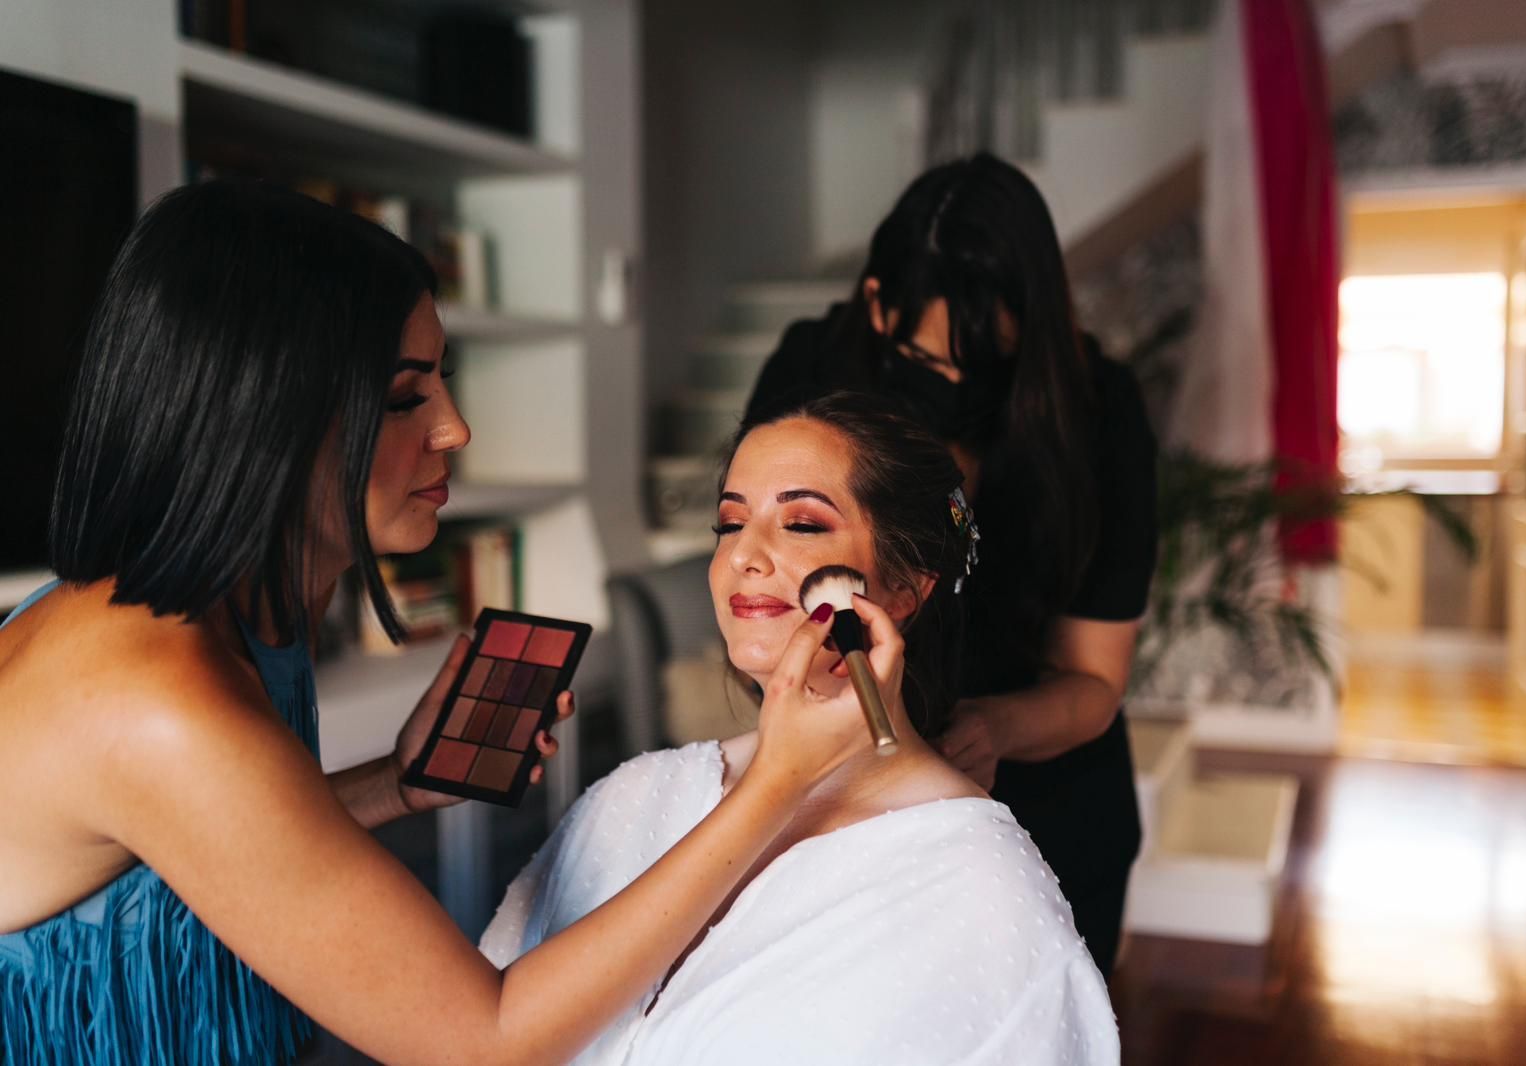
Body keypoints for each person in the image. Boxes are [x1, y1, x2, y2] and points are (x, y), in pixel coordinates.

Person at [0, 180, 881, 1066]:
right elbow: (482, 1042)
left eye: (441, 384)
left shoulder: (223, 612)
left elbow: (208, 841)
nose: (454, 430)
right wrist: (780, 779)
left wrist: (398, 784)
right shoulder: (154, 697)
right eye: (402, 399)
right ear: (262, 417)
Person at [482, 393, 1119, 1066]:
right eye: (730, 523)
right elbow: (475, 1024)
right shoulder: (633, 796)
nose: (744, 555)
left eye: (803, 524)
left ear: (906, 589)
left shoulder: (982, 888)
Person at [744, 153, 1158, 977]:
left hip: (1048, 807)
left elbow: (1094, 682)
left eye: (989, 363)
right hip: (849, 798)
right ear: (876, 305)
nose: (960, 387)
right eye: (932, 364)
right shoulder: (813, 373)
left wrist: (994, 728)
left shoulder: (1098, 412)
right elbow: (763, 579)